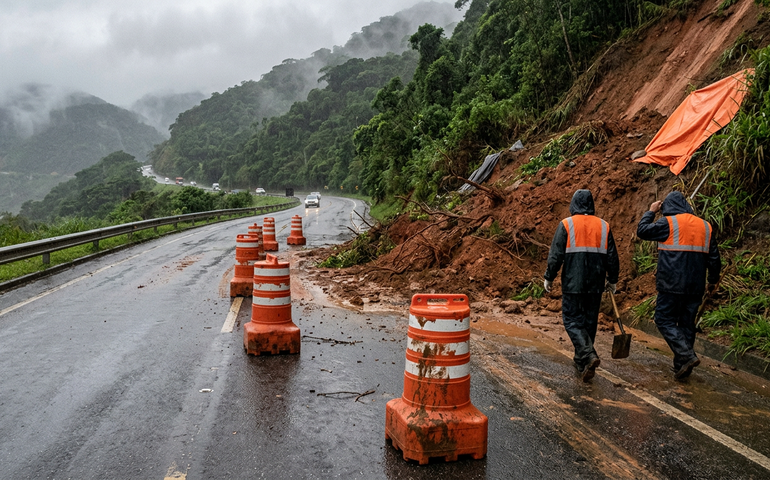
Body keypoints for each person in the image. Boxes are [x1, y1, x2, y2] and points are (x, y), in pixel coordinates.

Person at [637, 191, 721, 380]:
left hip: (671, 284)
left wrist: (651, 211)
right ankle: (682, 366)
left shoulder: (668, 223)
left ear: (667, 207)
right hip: (696, 285)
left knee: (663, 319)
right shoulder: (705, 226)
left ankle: (686, 355)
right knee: (686, 324)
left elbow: (642, 231)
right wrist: (712, 281)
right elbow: (714, 258)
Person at [544, 189, 620, 382]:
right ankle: (582, 361)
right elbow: (612, 257)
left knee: (571, 319)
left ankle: (588, 353)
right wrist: (612, 280)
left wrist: (549, 277)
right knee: (589, 322)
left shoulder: (567, 225)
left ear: (573, 204)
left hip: (573, 282)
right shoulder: (603, 226)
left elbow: (556, 256)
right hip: (595, 284)